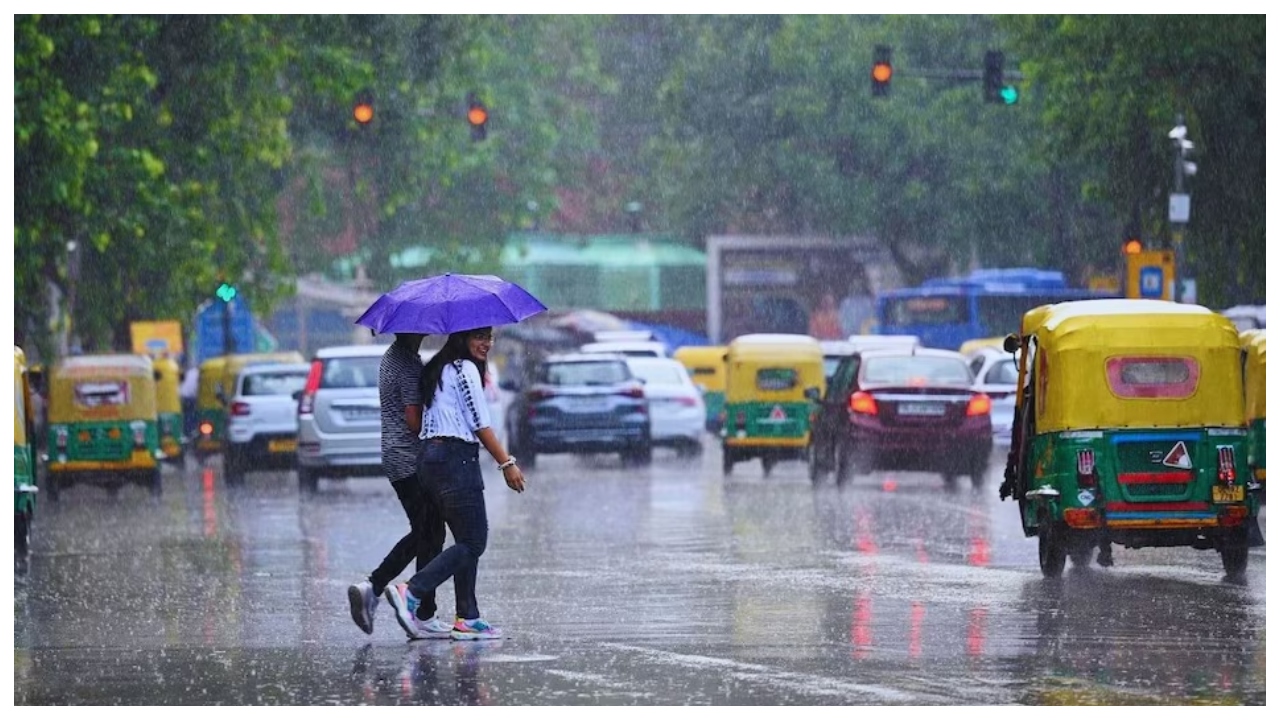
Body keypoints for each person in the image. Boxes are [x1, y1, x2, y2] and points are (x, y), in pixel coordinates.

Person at [384, 326, 526, 641]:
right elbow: (479, 422)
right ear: (461, 338)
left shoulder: (439, 367)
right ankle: (412, 591)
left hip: (430, 460)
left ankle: (468, 616)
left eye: (489, 337)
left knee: (463, 539)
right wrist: (507, 463)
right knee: (474, 541)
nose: (486, 343)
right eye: (479, 337)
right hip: (454, 459)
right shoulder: (464, 370)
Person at [347, 332, 450, 639]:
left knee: (426, 530)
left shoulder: (394, 357)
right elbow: (414, 421)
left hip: (396, 456)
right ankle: (416, 608)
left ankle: (385, 592)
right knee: (431, 531)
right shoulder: (406, 364)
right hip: (409, 459)